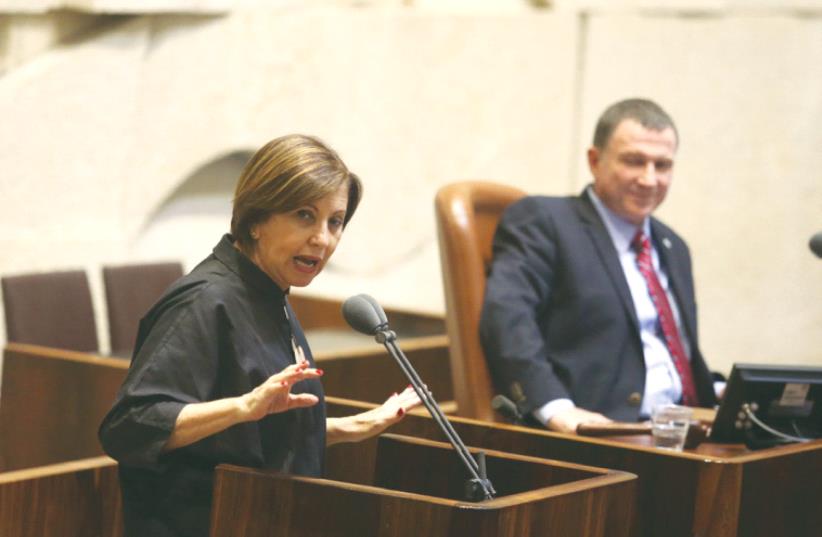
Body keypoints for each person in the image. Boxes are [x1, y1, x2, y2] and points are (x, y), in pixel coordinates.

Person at [99, 134, 420, 537]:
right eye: (305, 215)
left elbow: (249, 436)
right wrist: (242, 406)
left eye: (334, 221)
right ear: (255, 221)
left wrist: (351, 427)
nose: (323, 238)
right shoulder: (205, 300)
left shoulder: (269, 292)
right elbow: (131, 425)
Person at [479, 98, 717, 434]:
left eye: (662, 165)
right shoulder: (545, 222)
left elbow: (676, 352)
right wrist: (556, 408)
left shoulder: (673, 246)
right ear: (595, 160)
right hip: (604, 430)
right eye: (634, 162)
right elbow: (507, 320)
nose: (649, 180)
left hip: (688, 427)